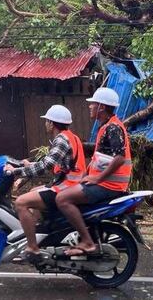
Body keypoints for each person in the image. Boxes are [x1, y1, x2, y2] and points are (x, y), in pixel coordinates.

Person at [55, 87, 132, 256]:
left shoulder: (112, 128)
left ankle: (87, 242)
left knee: (62, 199)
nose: (90, 107)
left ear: (102, 107)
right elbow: (102, 159)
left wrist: (97, 179)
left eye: (93, 104)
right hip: (106, 183)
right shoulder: (106, 126)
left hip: (109, 185)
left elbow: (119, 158)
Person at [5, 104, 85, 262]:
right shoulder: (70, 136)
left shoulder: (62, 140)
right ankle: (40, 234)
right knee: (34, 190)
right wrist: (27, 165)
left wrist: (16, 172)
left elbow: (45, 166)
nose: (45, 124)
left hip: (65, 188)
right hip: (69, 184)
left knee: (21, 203)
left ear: (52, 123)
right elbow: (54, 164)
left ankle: (33, 247)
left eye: (47, 121)